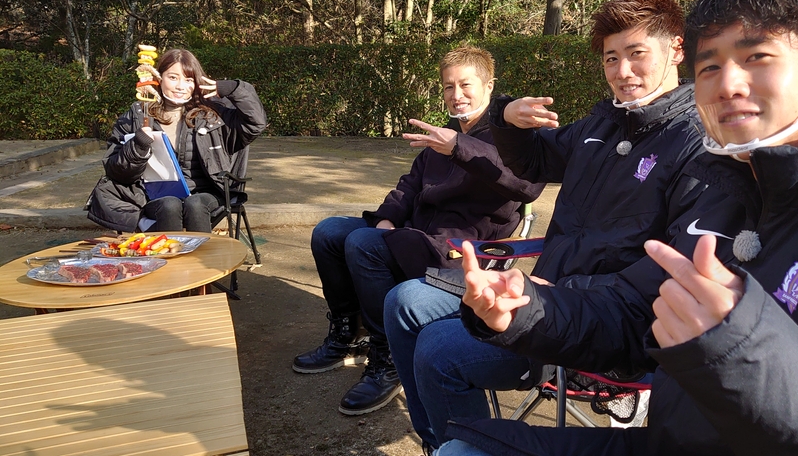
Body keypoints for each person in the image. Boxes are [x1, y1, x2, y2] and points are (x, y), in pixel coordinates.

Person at [443, 0, 798, 455]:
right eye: (711, 67)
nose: (728, 85)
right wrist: (527, 306)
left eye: (757, 57)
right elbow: (639, 313)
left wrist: (741, 345)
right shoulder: (736, 186)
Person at [384, 0, 706, 451]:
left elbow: (677, 268)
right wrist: (508, 119)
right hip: (544, 290)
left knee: (438, 350)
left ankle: (462, 445)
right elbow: (534, 163)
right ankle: (441, 443)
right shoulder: (603, 124)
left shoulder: (695, 141)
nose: (622, 71)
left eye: (637, 54)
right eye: (611, 58)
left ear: (676, 49)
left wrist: (564, 292)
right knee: (403, 302)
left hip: (599, 321)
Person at [291, 45, 544, 416]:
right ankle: (348, 332)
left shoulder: (509, 137)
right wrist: (387, 218)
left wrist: (458, 147)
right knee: (329, 232)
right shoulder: (444, 134)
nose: (456, 95)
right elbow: (409, 185)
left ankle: (388, 356)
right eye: (448, 86)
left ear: (489, 86)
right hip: (415, 234)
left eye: (465, 85)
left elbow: (526, 185)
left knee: (363, 244)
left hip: (460, 250)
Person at [88, 48, 267, 233]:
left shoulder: (212, 114)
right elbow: (116, 171)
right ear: (159, 78)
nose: (181, 86)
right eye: (173, 77)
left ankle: (199, 252)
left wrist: (234, 88)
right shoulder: (138, 116)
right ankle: (164, 249)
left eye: (188, 80)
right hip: (154, 195)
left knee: (195, 204)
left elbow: (256, 123)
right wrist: (139, 144)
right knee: (169, 205)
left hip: (207, 193)